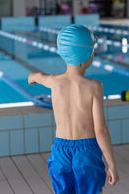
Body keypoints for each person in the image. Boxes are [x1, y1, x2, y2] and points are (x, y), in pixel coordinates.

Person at [28, 24, 119, 194]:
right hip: (87, 152)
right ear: (88, 55)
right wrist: (111, 164)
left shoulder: (54, 82)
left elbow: (36, 77)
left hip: (60, 151)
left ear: (63, 54)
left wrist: (32, 78)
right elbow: (100, 130)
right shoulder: (94, 87)